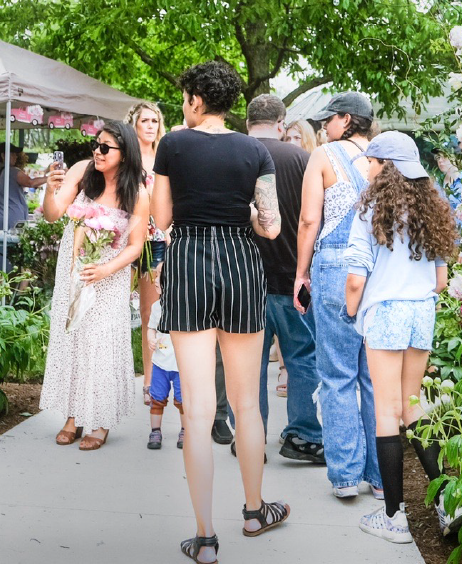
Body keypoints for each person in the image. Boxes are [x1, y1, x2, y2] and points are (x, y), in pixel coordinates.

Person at [150, 60, 290, 564]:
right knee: (246, 404)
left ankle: (205, 537)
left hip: (188, 260)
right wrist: (246, 212)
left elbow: (161, 218)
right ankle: (254, 511)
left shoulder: (172, 144)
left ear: (194, 99)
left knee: (202, 409)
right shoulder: (254, 149)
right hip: (239, 263)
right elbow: (270, 227)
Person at [343, 131, 459, 543]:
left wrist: (351, 310)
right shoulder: (434, 209)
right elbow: (441, 281)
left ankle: (393, 517)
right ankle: (449, 499)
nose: (367, 168)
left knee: (385, 413)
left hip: (387, 314)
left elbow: (356, 279)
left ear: (384, 167)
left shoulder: (371, 210)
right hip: (420, 314)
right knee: (414, 407)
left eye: (371, 162)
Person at [40, 121, 149, 450]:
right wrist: (49, 188)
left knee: (101, 343)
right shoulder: (81, 171)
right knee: (73, 337)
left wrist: (104, 270)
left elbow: (135, 246)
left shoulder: (136, 192)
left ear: (125, 154)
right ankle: (73, 416)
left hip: (109, 276)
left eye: (106, 147)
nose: (97, 152)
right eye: (96, 145)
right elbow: (53, 213)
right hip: (73, 271)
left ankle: (100, 420)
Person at [294, 91, 382, 501]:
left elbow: (310, 219)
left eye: (328, 119)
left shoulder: (325, 156)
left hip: (333, 267)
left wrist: (300, 273)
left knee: (336, 374)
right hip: (377, 273)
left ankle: (346, 476)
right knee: (374, 376)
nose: (323, 126)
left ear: (346, 119)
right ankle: (382, 478)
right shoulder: (386, 159)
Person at [243, 94, 322, 463]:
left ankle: (251, 438)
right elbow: (314, 220)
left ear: (247, 123)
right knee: (302, 356)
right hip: (294, 277)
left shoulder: (236, 155)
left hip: (246, 280)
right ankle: (303, 436)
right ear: (281, 123)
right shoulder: (304, 160)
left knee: (251, 363)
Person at [127, 99, 168, 405]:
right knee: (116, 311)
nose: (151, 126)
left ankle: (151, 381)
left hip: (156, 242)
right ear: (135, 125)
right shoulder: (127, 159)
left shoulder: (165, 158)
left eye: (155, 121)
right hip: (126, 240)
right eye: (145, 121)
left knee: (149, 313)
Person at [0, 143, 48, 270]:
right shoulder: (14, 172)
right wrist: (50, 178)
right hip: (11, 221)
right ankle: (12, 287)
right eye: (12, 154)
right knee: (15, 257)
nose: (15, 156)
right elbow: (31, 182)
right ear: (3, 156)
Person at [146, 297, 185, 450]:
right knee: (156, 398)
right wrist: (151, 338)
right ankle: (155, 431)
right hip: (160, 362)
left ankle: (185, 430)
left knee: (184, 400)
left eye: (160, 277)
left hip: (181, 364)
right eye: (155, 277)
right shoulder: (156, 306)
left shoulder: (184, 303)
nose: (156, 280)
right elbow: (151, 328)